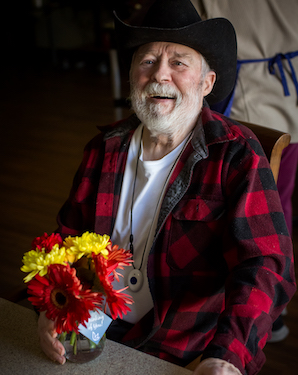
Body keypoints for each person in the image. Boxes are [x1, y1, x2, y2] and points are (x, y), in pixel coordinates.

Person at [37, 1, 296, 374]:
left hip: (181, 345)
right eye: (146, 61)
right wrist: (52, 305)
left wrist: (227, 356)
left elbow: (265, 266)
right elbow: (67, 235)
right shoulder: (103, 148)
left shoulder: (235, 155)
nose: (160, 75)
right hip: (94, 331)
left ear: (207, 83)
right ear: (131, 76)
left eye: (178, 62)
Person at [193, 0, 298, 342]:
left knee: (241, 217)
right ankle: (268, 313)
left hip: (244, 106)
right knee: (278, 212)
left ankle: (253, 315)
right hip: (287, 99)